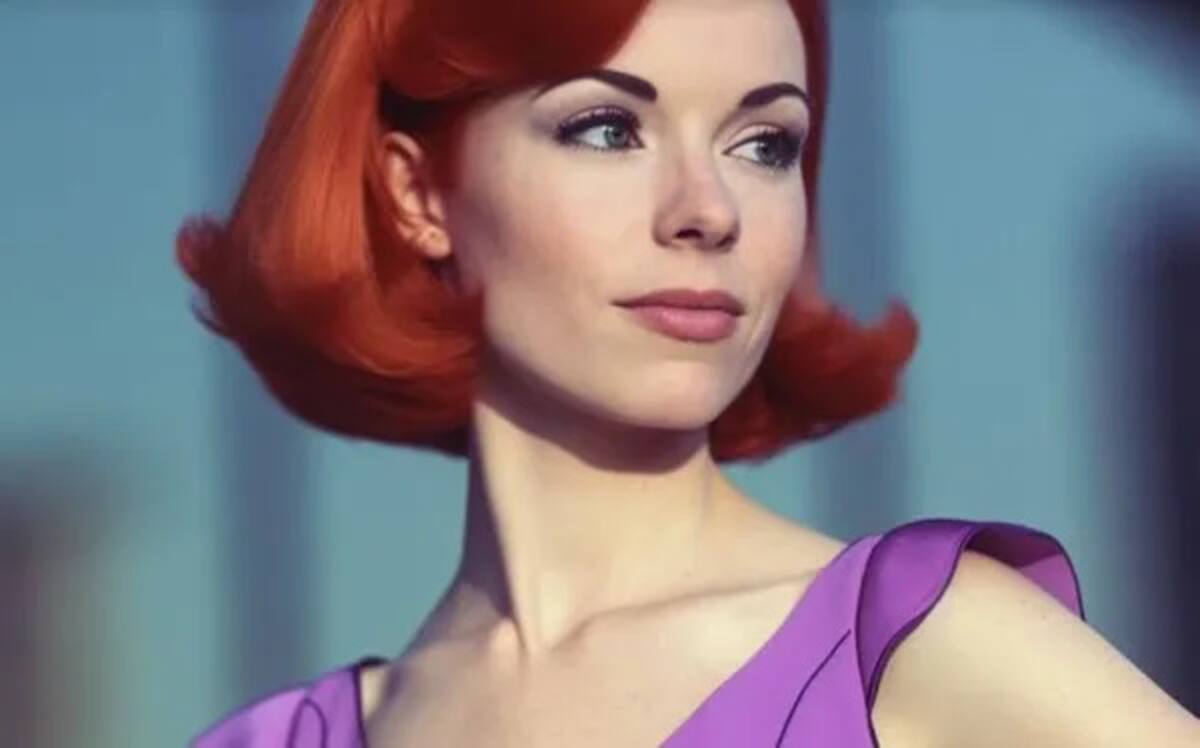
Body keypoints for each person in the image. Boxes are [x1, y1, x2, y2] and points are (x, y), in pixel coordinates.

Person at [181, 0, 1200, 745]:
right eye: (607, 128)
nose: (709, 209)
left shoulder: (916, 645)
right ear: (417, 194)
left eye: (764, 145)